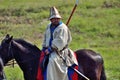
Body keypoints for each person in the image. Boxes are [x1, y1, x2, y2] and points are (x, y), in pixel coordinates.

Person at [41, 6, 78, 80]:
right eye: (54, 19)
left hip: (59, 51)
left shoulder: (62, 28)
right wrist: (44, 47)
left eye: (57, 18)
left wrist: (50, 49)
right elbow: (46, 37)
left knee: (52, 61)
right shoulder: (49, 26)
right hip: (47, 49)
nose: (56, 20)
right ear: (51, 20)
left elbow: (60, 41)